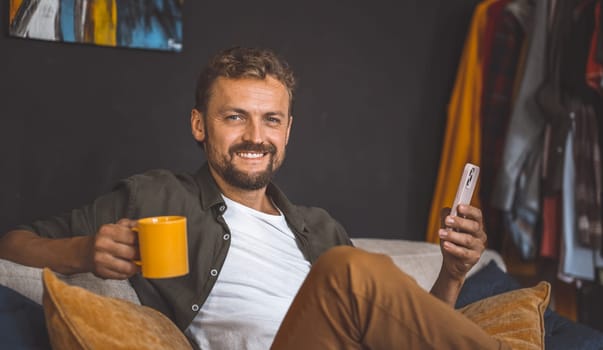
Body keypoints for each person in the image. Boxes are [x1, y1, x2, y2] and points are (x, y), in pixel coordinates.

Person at [0, 47, 509, 349]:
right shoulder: (153, 194)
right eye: (234, 116)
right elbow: (12, 243)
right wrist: (82, 252)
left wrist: (452, 273)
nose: (254, 136)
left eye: (270, 119)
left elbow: (410, 334)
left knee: (352, 270)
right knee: (350, 271)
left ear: (288, 131)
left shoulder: (319, 227)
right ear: (200, 125)